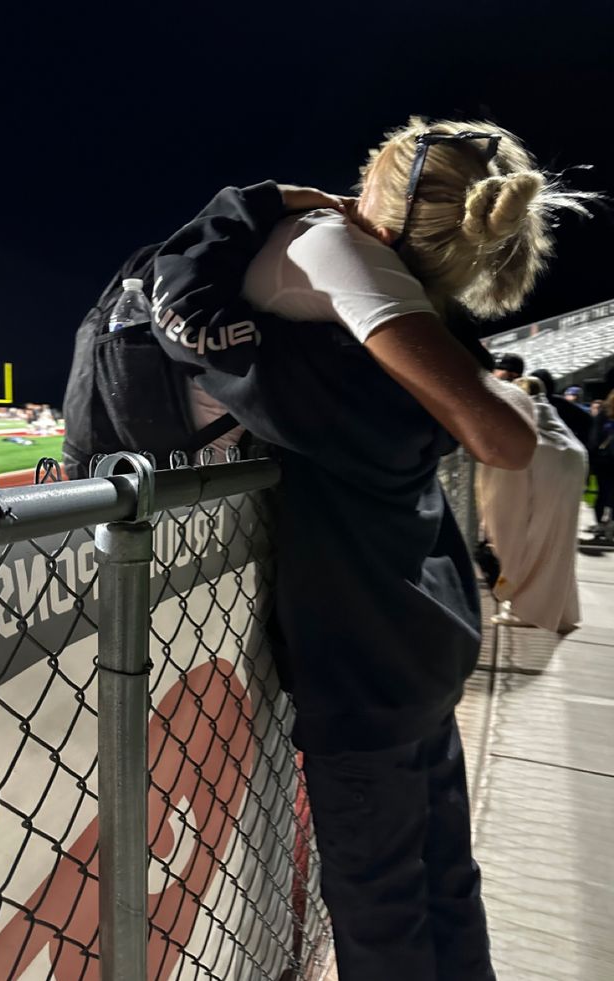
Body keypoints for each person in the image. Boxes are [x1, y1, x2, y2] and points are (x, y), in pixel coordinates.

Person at [150, 116, 594, 981]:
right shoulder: (399, 347)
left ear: (379, 211)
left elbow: (183, 314)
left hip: (364, 675)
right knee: (444, 883)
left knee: (383, 911)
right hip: (424, 646)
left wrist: (257, 204)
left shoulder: (329, 315)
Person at [477, 376, 587, 633]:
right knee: (558, 542)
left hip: (538, 464)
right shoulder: (551, 416)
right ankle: (558, 608)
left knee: (528, 540)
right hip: (569, 465)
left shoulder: (521, 411)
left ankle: (527, 608)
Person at [588, 390, 614, 536]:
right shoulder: (604, 413)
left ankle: (601, 523)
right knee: (606, 492)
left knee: (603, 492)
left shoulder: (603, 413)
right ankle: (606, 523)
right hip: (605, 460)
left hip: (603, 459)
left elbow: (595, 436)